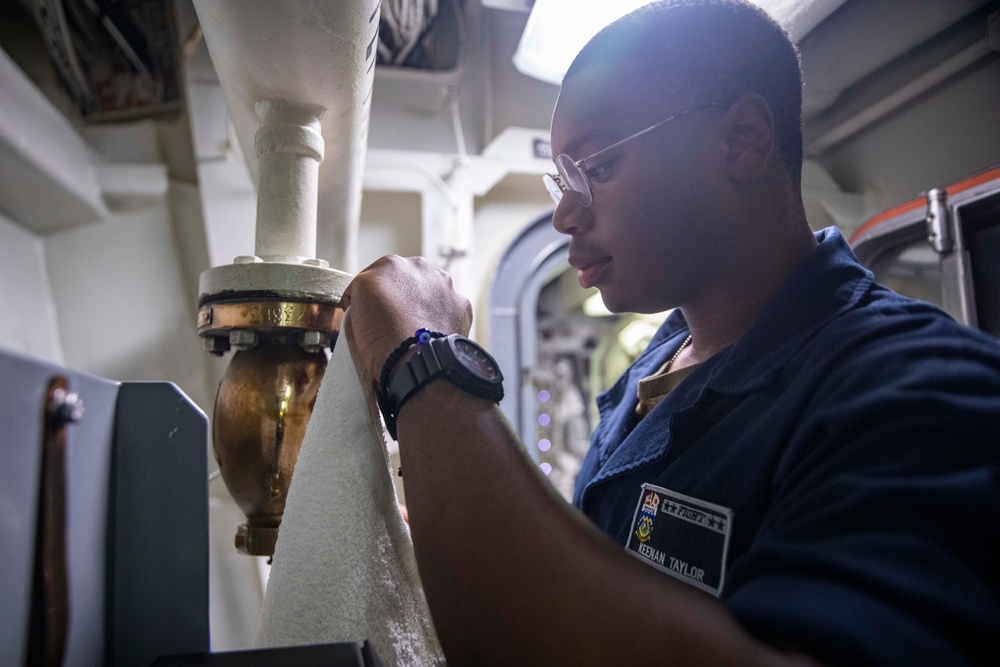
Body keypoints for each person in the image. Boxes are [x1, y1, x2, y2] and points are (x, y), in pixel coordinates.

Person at [341, 0, 1000, 664]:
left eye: (595, 169)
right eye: (560, 179)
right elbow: (592, 585)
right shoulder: (651, 376)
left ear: (740, 141)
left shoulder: (922, 391)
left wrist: (423, 362)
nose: (565, 213)